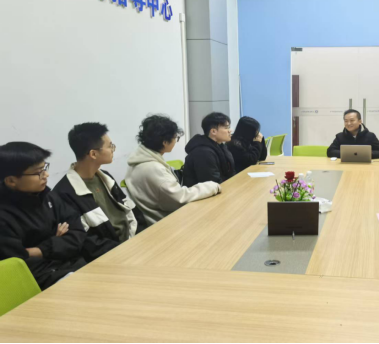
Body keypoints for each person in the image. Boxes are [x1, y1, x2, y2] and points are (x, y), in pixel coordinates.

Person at [52, 123, 146, 262]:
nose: (113, 149)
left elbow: (130, 209)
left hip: (133, 243)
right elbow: (87, 242)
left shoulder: (105, 177)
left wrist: (143, 237)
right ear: (93, 154)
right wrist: (126, 250)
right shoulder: (64, 193)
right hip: (113, 256)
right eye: (110, 146)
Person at [0, 142, 87, 290]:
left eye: (44, 168)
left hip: (78, 266)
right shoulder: (4, 218)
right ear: (11, 181)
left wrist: (41, 250)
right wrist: (57, 241)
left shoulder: (47, 195)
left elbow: (78, 233)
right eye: (38, 172)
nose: (46, 175)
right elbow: (20, 265)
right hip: (45, 283)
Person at [125, 115, 222, 227]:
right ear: (165, 142)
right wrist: (212, 186)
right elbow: (180, 198)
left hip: (155, 219)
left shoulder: (138, 160)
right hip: (166, 224)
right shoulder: (154, 169)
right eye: (175, 138)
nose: (176, 141)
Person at [184, 112, 236, 187]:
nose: (230, 130)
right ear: (213, 131)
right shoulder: (203, 153)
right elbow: (212, 183)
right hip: (205, 193)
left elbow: (230, 172)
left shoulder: (221, 146)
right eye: (226, 128)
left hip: (221, 188)